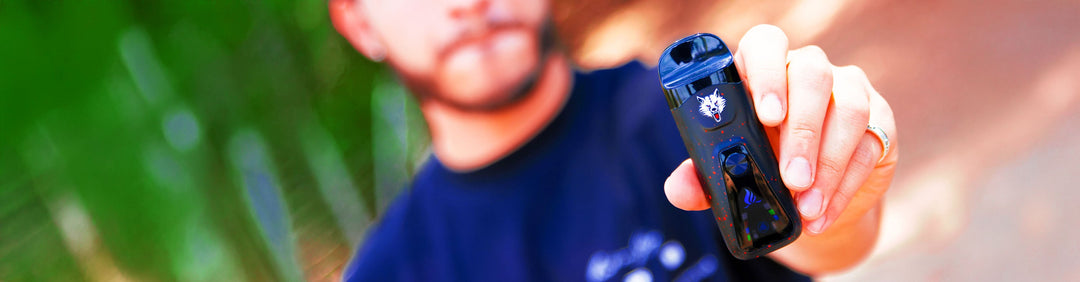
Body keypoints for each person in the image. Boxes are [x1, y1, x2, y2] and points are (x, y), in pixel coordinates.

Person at [329, 0, 898, 280]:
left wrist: (829, 196)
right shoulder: (390, 272)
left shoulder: (679, 121)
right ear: (358, 22)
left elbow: (820, 247)